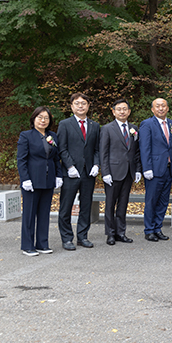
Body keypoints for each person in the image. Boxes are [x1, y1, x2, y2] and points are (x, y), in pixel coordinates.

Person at [17, 107, 63, 256]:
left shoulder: (53, 136)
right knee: (29, 214)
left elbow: (56, 158)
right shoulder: (26, 136)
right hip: (31, 181)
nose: (43, 120)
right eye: (40, 117)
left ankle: (42, 244)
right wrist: (25, 179)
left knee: (44, 213)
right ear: (33, 119)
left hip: (48, 180)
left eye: (46, 118)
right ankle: (27, 245)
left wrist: (58, 175)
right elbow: (21, 160)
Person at [57, 93, 100, 250]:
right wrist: (69, 166)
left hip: (88, 173)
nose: (80, 106)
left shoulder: (95, 126)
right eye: (77, 103)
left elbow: (97, 149)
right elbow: (62, 148)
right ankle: (67, 238)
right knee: (66, 206)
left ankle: (82, 236)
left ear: (88, 106)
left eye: (84, 103)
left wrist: (96, 164)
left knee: (86, 205)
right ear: (72, 106)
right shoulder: (64, 124)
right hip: (71, 173)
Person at [99, 99, 142, 246]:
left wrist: (137, 170)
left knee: (123, 203)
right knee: (110, 204)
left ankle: (121, 232)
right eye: (119, 109)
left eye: (125, 109)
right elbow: (103, 152)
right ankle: (110, 233)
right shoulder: (107, 128)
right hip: (113, 171)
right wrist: (105, 172)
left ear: (129, 111)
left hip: (129, 172)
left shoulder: (134, 128)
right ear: (113, 111)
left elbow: (136, 152)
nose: (122, 111)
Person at [140, 98, 172, 242]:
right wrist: (147, 168)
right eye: (157, 106)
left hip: (168, 170)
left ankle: (158, 228)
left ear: (167, 108)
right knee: (151, 201)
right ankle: (149, 230)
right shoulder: (147, 124)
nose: (161, 108)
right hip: (154, 170)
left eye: (163, 106)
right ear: (152, 109)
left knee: (163, 201)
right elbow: (144, 148)